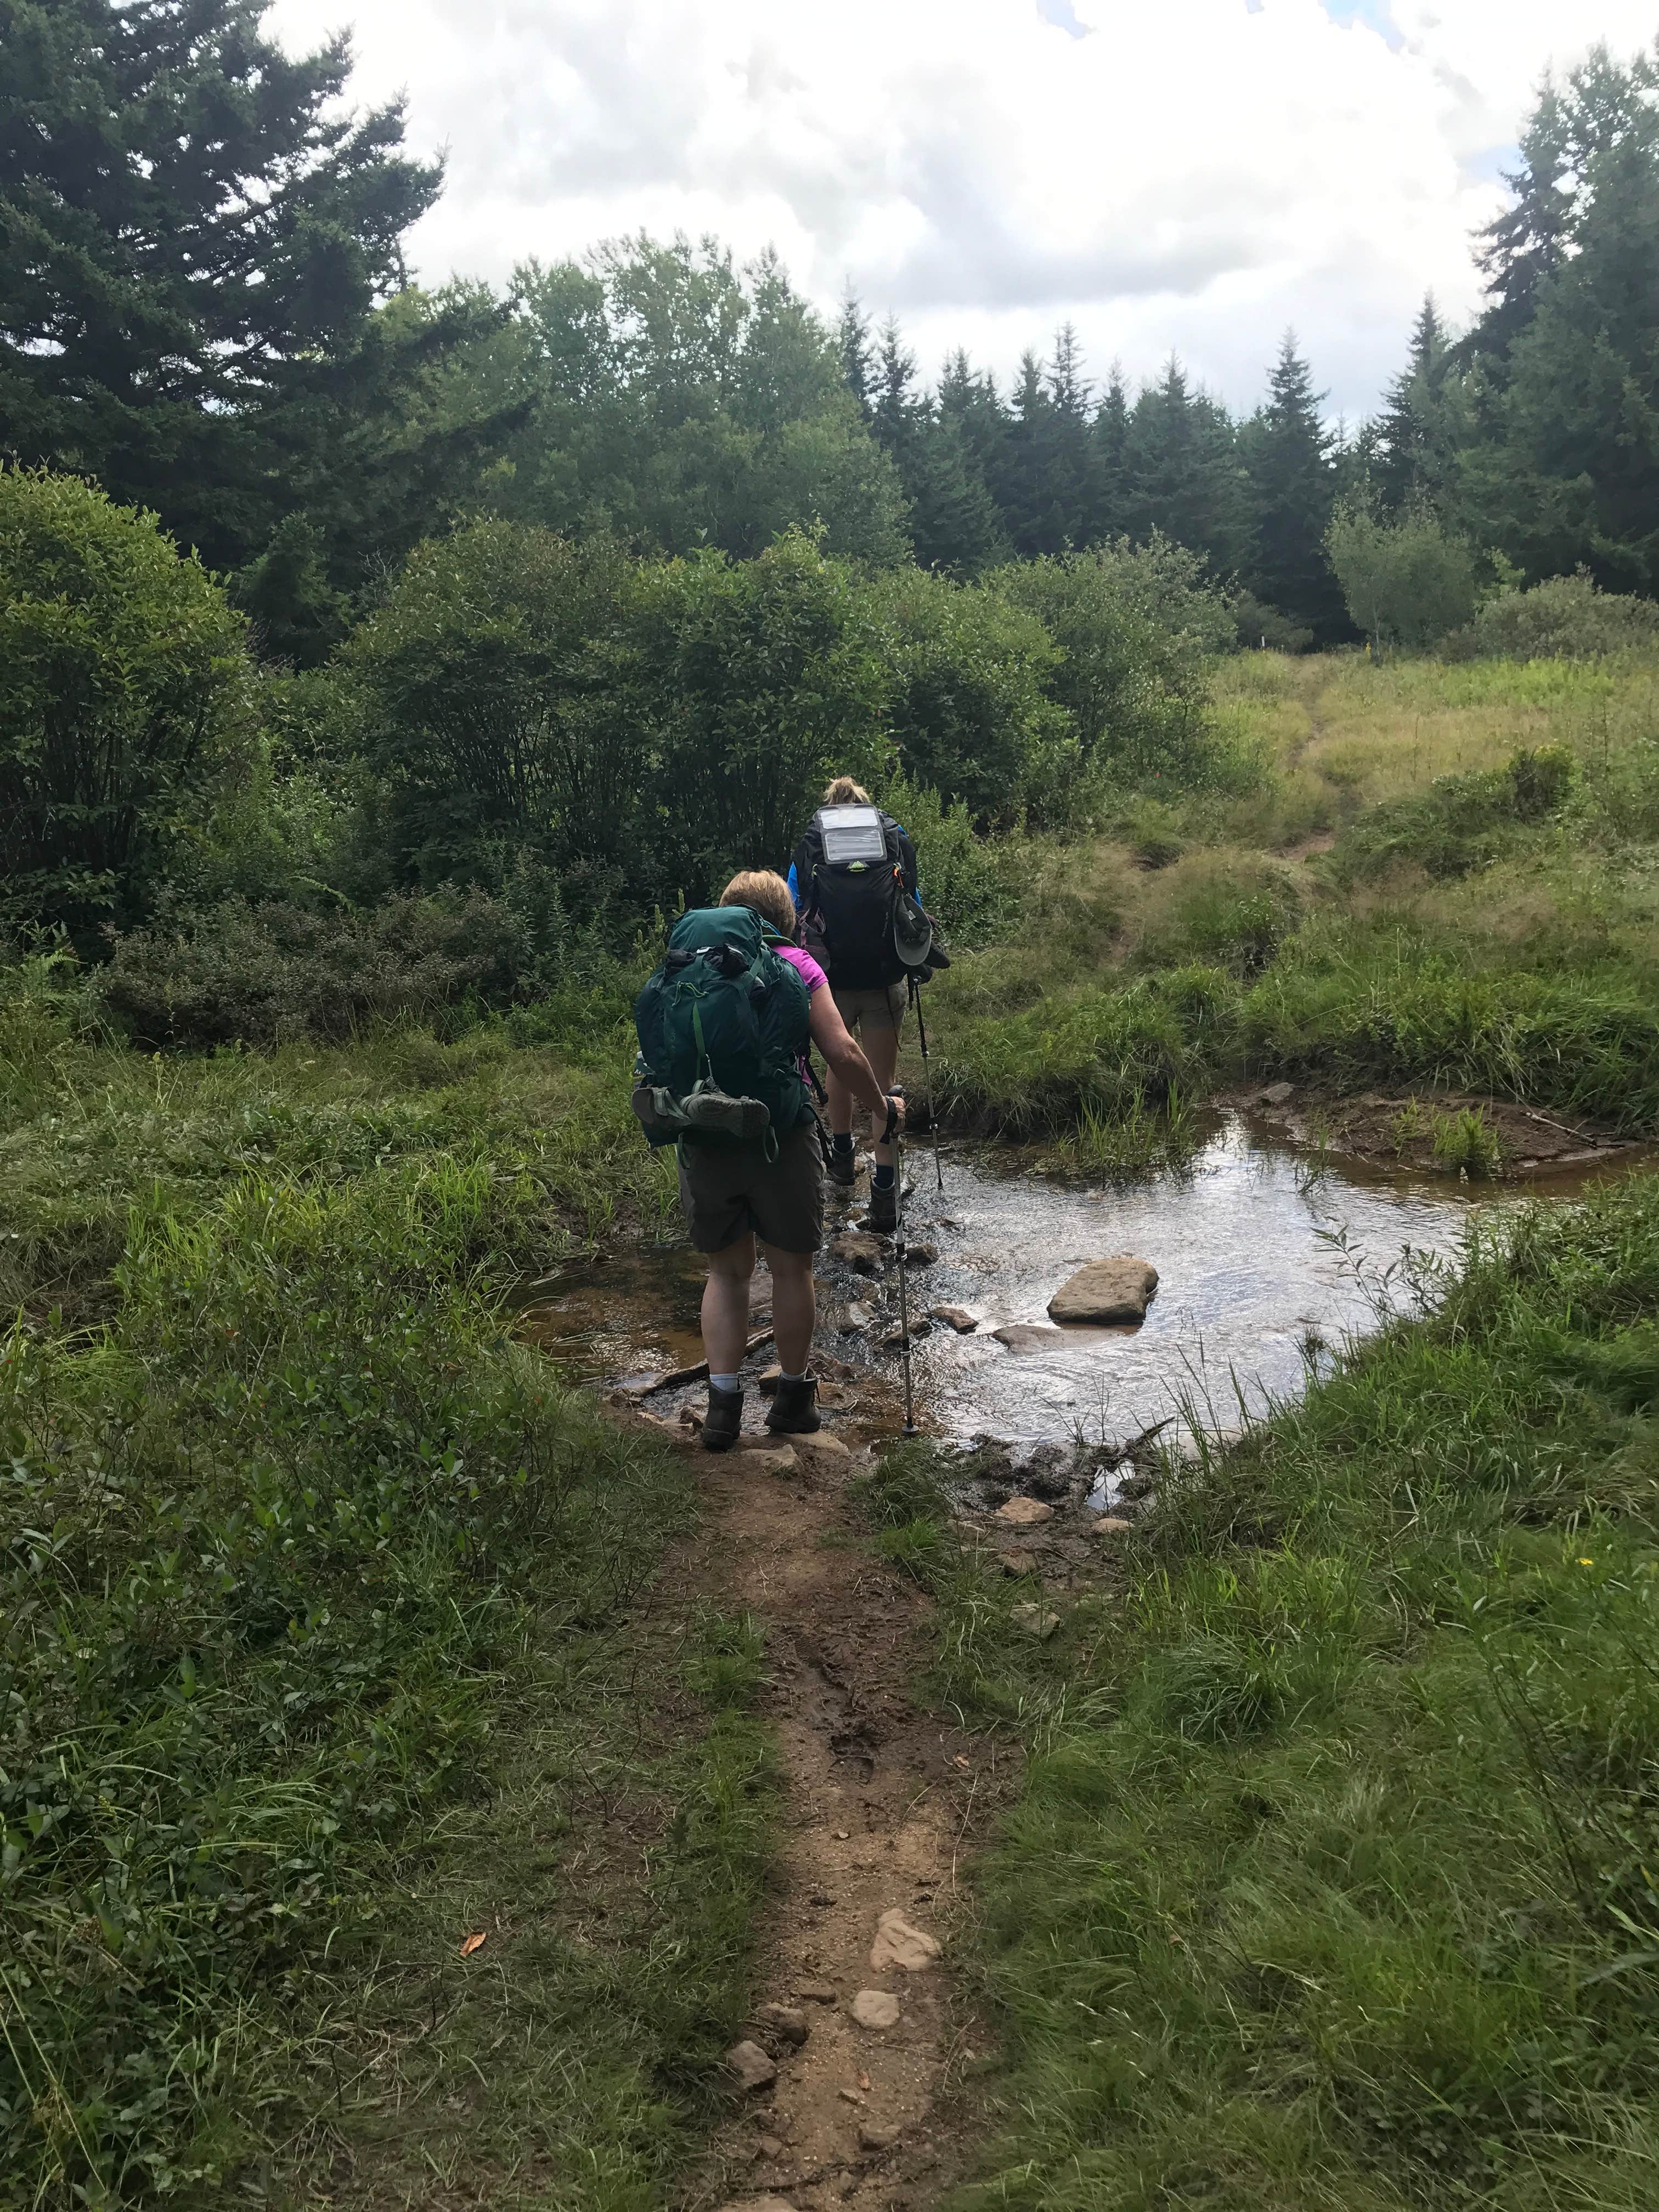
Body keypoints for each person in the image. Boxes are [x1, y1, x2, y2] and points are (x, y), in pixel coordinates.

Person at [650, 869, 902, 1453]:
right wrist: (881, 1107)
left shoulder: (691, 960)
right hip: (780, 1136)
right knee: (791, 1271)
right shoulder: (798, 966)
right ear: (786, 920)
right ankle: (793, 1401)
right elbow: (839, 1049)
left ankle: (721, 1411)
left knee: (726, 1273)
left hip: (703, 1135)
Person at [788, 777, 922, 1232]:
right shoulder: (892, 836)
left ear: (828, 808)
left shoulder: (812, 842)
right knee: (884, 1083)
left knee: (840, 1064)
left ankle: (842, 1162)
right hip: (885, 979)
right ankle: (885, 1194)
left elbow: (794, 908)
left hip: (828, 981)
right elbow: (913, 907)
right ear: (865, 805)